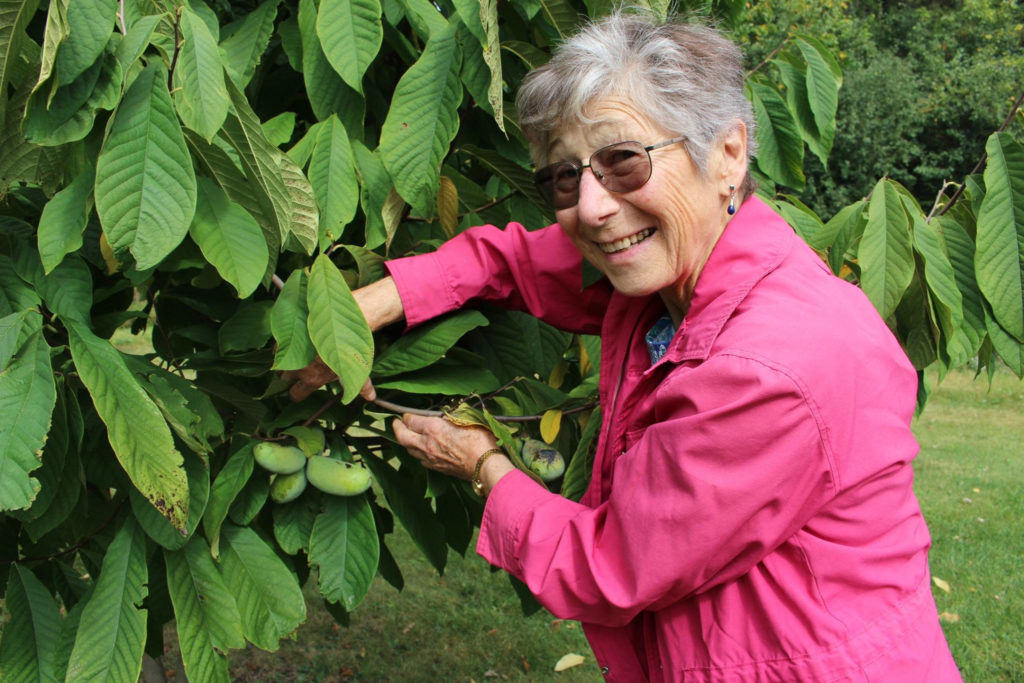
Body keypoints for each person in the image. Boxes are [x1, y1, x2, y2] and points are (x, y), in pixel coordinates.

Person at [290, 13, 961, 681]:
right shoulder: (672, 270)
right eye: (562, 177)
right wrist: (368, 308)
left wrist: (479, 461)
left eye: (624, 162)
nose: (590, 206)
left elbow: (610, 564)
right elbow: (518, 260)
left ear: (727, 153)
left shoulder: (769, 367)